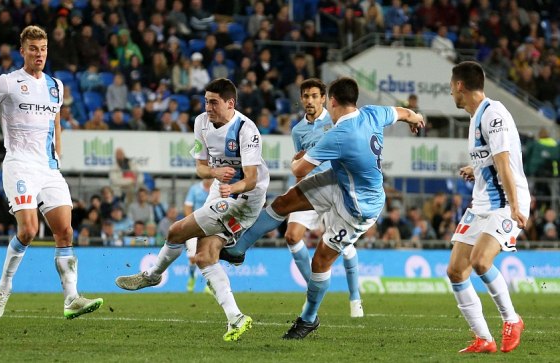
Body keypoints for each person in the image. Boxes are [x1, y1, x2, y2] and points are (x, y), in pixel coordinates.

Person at [221, 77, 424, 339]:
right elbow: (404, 112)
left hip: (359, 207)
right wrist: (417, 117)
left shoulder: (340, 134)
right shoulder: (373, 113)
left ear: (332, 101)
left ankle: (308, 318)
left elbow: (298, 169)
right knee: (284, 201)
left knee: (321, 260)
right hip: (341, 180)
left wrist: (298, 158)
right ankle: (239, 248)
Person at [115, 78, 269, 342]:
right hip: (220, 189)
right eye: (206, 101)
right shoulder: (201, 123)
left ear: (230, 103)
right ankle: (236, 318)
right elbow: (200, 168)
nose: (207, 107)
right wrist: (215, 172)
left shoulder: (246, 129)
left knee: (176, 231)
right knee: (204, 256)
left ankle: (152, 275)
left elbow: (252, 178)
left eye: (214, 102)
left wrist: (232, 188)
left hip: (244, 198)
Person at [0, 25, 103, 319]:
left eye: (42, 49)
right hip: (19, 164)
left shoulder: (57, 85)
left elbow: (55, 122)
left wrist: (58, 152)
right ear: (22, 51)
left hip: (48, 167)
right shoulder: (7, 82)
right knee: (28, 230)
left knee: (65, 231)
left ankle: (71, 299)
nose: (39, 54)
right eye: (33, 49)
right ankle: (5, 285)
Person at [446, 61, 528, 354]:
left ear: (459, 86)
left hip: (505, 202)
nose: (451, 93)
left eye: (451, 87)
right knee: (456, 271)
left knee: (481, 261)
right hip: (481, 202)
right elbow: (493, 158)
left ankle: (512, 319)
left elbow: (505, 161)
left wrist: (516, 207)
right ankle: (484, 338)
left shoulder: (494, 114)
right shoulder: (475, 116)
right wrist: (476, 167)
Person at [288, 78, 365, 317]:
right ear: (301, 99)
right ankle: (313, 287)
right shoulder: (297, 130)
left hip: (334, 188)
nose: (309, 101)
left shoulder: (335, 122)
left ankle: (355, 299)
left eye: (314, 96)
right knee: (291, 237)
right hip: (311, 188)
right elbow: (300, 161)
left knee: (344, 247)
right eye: (306, 96)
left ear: (324, 98)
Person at [183, 177, 213, 292]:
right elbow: (187, 207)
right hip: (195, 226)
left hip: (211, 227)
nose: (209, 179)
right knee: (192, 258)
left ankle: (209, 284)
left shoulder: (217, 189)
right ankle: (192, 277)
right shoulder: (194, 189)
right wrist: (190, 223)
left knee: (210, 256)